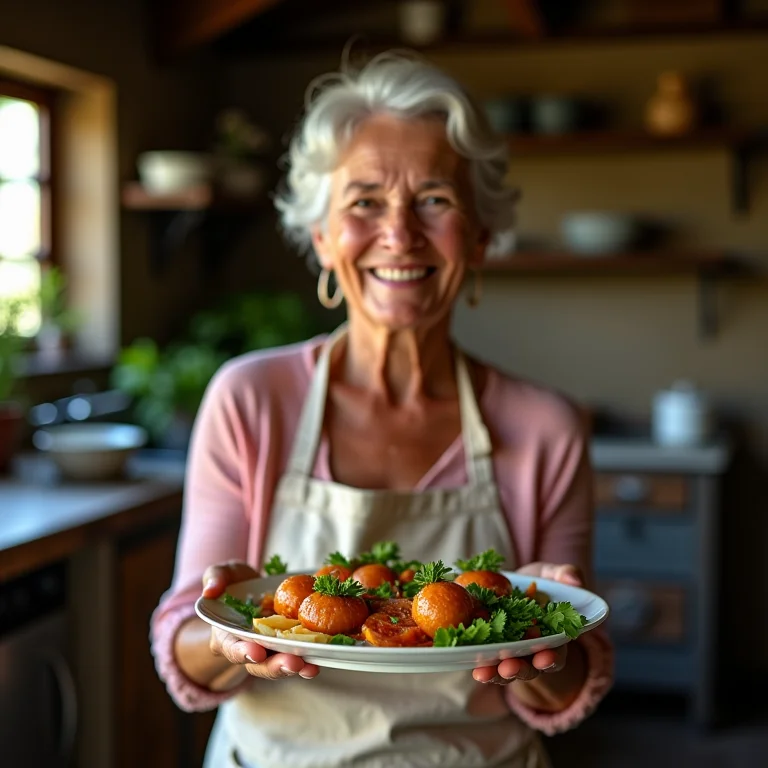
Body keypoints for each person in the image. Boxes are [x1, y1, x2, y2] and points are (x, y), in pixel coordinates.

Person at [150, 51, 613, 768]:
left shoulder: (547, 425)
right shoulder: (250, 400)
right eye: (364, 201)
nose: (399, 233)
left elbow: (568, 688)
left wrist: (552, 651)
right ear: (324, 238)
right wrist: (229, 633)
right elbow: (186, 641)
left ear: (481, 236)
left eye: (435, 199)